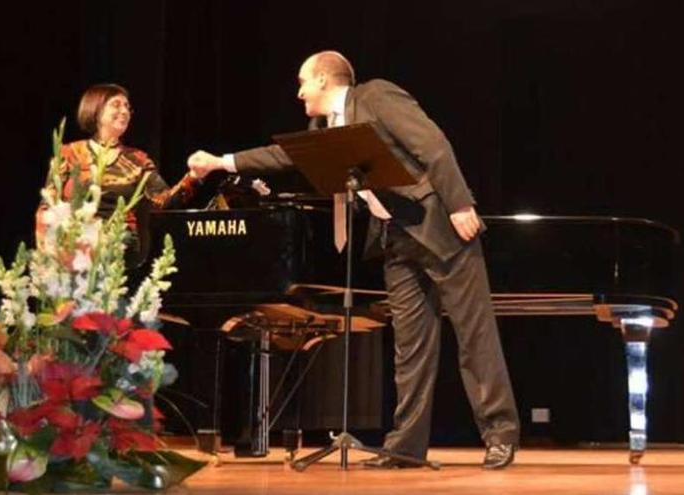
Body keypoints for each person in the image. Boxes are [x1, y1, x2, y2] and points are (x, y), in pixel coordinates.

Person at [187, 51, 519, 469]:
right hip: (394, 239)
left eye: (303, 81)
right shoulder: (325, 129)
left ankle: (500, 434)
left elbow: (432, 144)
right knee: (410, 349)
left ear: (325, 80)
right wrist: (221, 162)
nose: (299, 91)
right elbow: (285, 156)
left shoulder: (375, 96)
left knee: (475, 337)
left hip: (439, 226)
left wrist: (459, 204)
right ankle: (406, 447)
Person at [36, 83, 200, 267]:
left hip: (119, 250)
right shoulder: (69, 153)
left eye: (127, 107)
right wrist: (47, 255)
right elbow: (47, 207)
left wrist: (194, 176)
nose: (124, 111)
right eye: (116, 104)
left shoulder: (138, 160)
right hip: (71, 252)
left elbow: (165, 202)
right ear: (95, 110)